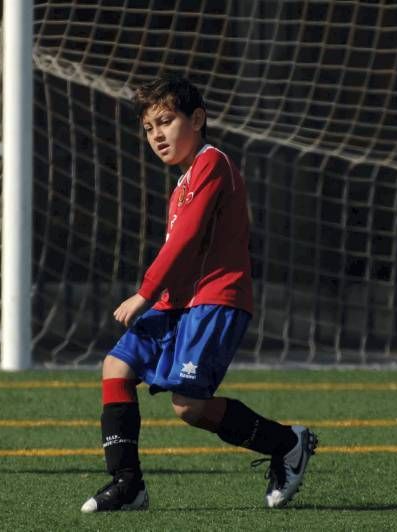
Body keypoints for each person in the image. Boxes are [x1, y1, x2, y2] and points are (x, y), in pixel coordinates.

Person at [81, 76, 317, 513]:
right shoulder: (184, 180)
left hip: (213, 300)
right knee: (116, 367)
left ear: (198, 119)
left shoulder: (213, 164)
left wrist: (145, 293)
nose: (156, 135)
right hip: (177, 303)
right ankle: (128, 484)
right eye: (149, 128)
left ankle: (287, 443)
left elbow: (186, 240)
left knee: (189, 407)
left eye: (166, 122)